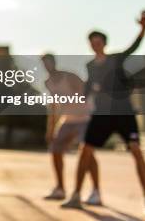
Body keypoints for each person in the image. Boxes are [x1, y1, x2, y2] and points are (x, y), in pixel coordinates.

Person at [62, 10, 145, 218]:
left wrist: (143, 28)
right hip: (102, 115)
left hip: (124, 112)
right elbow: (87, 91)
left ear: (104, 43)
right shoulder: (90, 66)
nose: (95, 44)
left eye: (98, 41)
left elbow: (134, 47)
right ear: (90, 45)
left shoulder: (115, 59)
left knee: (136, 150)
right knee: (85, 150)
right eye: (92, 41)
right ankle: (76, 195)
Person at [41, 54, 100, 203]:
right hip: (67, 120)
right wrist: (51, 129)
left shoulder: (70, 77)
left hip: (84, 117)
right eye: (44, 64)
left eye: (49, 62)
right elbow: (53, 106)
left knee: (87, 153)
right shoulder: (47, 82)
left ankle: (96, 192)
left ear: (54, 63)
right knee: (55, 150)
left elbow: (86, 94)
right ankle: (60, 189)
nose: (47, 66)